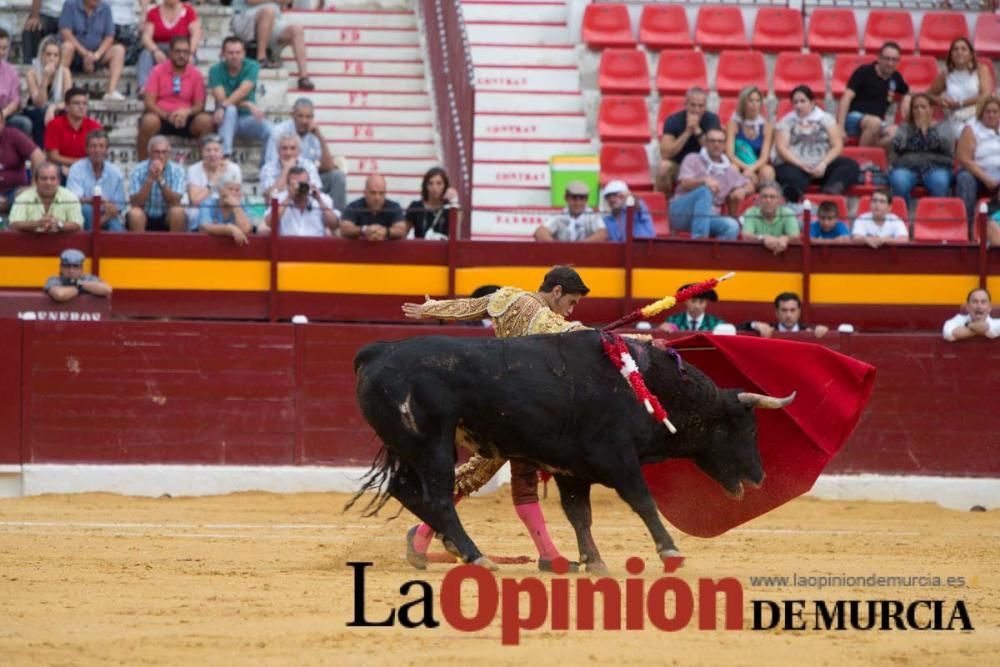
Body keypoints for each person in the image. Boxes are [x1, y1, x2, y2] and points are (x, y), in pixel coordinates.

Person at [401, 265, 591, 572]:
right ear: (556, 292)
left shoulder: (508, 298)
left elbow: (471, 307)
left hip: (499, 404)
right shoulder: (545, 319)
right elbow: (576, 334)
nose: (570, 310)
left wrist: (432, 308)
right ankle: (547, 555)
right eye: (571, 302)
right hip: (521, 410)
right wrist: (635, 341)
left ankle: (422, 537)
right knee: (513, 475)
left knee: (482, 473)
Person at [774, 85, 860, 203]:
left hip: (823, 163)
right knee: (788, 177)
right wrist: (801, 165)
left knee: (850, 166)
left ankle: (827, 194)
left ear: (812, 102)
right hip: (796, 165)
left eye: (803, 101)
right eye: (795, 102)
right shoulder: (786, 121)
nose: (798, 105)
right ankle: (797, 201)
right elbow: (781, 148)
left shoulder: (826, 119)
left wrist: (823, 164)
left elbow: (837, 145)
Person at [136, 35, 213, 161]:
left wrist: (186, 112)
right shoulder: (157, 71)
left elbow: (199, 105)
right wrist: (167, 116)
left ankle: (206, 167)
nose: (181, 55)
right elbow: (149, 102)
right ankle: (142, 166)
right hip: (162, 117)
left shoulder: (196, 74)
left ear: (190, 54)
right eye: (178, 51)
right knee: (148, 121)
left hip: (186, 119)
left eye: (185, 52)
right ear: (170, 52)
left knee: (206, 121)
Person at [668, 127, 748, 240]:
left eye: (720, 141)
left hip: (709, 217)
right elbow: (684, 183)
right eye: (712, 141)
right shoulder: (692, 158)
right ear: (705, 143)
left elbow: (750, 184)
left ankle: (716, 257)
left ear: (725, 145)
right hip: (681, 213)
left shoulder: (730, 170)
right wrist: (703, 180)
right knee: (705, 191)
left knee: (732, 225)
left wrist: (743, 190)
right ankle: (700, 242)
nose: (716, 144)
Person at [264, 98, 345, 208]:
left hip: (309, 178)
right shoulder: (279, 132)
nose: (304, 121)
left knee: (337, 177)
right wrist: (290, 170)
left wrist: (320, 136)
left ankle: (336, 219)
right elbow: (272, 164)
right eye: (300, 116)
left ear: (312, 117)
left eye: (308, 117)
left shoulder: (314, 133)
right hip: (283, 177)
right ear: (292, 115)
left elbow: (328, 167)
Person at [837, 42, 910, 149]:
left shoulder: (895, 77)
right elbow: (846, 98)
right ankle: (863, 161)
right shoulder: (864, 71)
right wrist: (840, 127)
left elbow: (908, 92)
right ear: (879, 58)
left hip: (878, 123)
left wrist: (907, 98)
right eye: (887, 59)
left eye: (894, 60)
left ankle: (869, 155)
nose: (890, 63)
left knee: (897, 133)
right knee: (874, 122)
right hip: (854, 119)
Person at [209, 36, 271, 161]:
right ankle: (225, 156)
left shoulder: (252, 66)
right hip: (225, 120)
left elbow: (243, 90)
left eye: (238, 52)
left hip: (246, 118)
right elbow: (222, 99)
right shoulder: (215, 70)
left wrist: (223, 106)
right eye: (230, 53)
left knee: (272, 130)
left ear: (244, 54)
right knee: (230, 109)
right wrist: (248, 104)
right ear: (223, 54)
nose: (234, 56)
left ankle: (267, 167)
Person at [229, 0, 314, 91]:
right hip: (245, 18)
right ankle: (261, 58)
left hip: (273, 21)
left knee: (297, 30)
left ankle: (303, 77)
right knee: (268, 11)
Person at [889, 93, 954, 208]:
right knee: (899, 180)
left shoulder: (943, 126)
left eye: (923, 107)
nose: (919, 111)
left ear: (931, 109)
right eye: (915, 107)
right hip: (907, 167)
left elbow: (947, 147)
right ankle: (903, 219)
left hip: (936, 167)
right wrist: (916, 132)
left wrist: (926, 132)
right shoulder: (905, 127)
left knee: (940, 182)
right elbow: (897, 147)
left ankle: (935, 220)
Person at [656, 87, 720, 196]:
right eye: (693, 105)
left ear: (706, 106)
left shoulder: (712, 119)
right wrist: (687, 132)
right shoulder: (673, 120)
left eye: (701, 106)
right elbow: (665, 154)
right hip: (679, 165)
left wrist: (697, 130)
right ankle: (666, 206)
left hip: (705, 166)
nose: (696, 110)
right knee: (663, 167)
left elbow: (714, 150)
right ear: (686, 104)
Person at [928, 37, 993, 144]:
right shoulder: (946, 75)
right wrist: (940, 100)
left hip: (978, 114)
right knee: (966, 134)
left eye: (963, 49)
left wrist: (960, 103)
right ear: (951, 55)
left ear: (971, 54)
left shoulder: (981, 70)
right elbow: (929, 95)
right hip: (957, 118)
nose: (959, 52)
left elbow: (986, 95)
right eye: (956, 49)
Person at [58, 0, 126, 100]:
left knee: (119, 50)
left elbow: (109, 37)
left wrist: (96, 55)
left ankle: (111, 91)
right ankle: (63, 92)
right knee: (67, 47)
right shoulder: (70, 5)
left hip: (96, 54)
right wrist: (85, 54)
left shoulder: (105, 8)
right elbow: (66, 33)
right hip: (75, 53)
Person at [66, 129, 126, 231]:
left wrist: (109, 212)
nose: (97, 150)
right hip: (82, 215)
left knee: (117, 228)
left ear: (107, 150)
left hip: (108, 215)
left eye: (101, 146)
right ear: (86, 149)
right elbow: (74, 199)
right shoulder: (76, 169)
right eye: (93, 146)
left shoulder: (116, 173)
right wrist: (97, 200)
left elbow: (119, 206)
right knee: (87, 210)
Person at [136, 0, 201, 94]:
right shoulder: (154, 12)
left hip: (181, 48)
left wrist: (189, 52)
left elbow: (196, 34)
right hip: (159, 47)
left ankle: (185, 90)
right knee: (145, 55)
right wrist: (155, 51)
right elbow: (146, 36)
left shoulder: (188, 11)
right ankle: (144, 88)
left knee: (189, 59)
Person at [955, 96, 1000, 231]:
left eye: (995, 111)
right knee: (965, 178)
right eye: (988, 111)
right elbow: (964, 159)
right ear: (981, 113)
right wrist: (986, 179)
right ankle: (966, 227)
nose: (991, 115)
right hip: (978, 174)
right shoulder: (972, 128)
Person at [127, 134, 186, 232]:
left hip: (166, 216)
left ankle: (175, 247)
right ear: (149, 154)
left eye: (164, 152)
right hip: (145, 214)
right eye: (156, 152)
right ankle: (139, 247)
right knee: (135, 213)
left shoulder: (178, 171)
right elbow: (135, 203)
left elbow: (175, 202)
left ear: (169, 154)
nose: (161, 156)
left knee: (178, 212)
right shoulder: (138, 170)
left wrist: (160, 179)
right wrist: (150, 178)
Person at [24, 35, 73, 147]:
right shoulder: (31, 73)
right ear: (41, 56)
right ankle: (42, 153)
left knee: (65, 114)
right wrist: (45, 78)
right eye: (48, 54)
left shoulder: (65, 72)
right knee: (41, 115)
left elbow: (68, 100)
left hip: (56, 107)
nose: (52, 58)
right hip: (35, 109)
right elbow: (39, 103)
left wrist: (52, 108)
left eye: (56, 55)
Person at [9, 161, 84, 233]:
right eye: (44, 178)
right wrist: (37, 224)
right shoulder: (23, 198)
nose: (48, 183)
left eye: (52, 178)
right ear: (36, 181)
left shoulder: (70, 197)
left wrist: (59, 224)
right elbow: (13, 224)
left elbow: (78, 224)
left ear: (59, 181)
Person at [43, 87, 102, 178]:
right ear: (66, 107)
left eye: (84, 104)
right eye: (77, 103)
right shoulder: (54, 124)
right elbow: (53, 156)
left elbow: (99, 153)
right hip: (61, 168)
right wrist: (74, 166)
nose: (81, 107)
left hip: (87, 168)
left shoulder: (95, 126)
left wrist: (77, 167)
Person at [186, 134, 242, 227]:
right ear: (202, 153)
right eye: (208, 150)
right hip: (202, 208)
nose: (212, 154)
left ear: (222, 153)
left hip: (225, 207)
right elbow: (195, 201)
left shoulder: (234, 169)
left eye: (216, 150)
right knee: (194, 214)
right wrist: (215, 179)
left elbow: (235, 197)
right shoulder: (193, 169)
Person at [725, 85, 775, 187]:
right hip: (739, 165)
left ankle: (765, 198)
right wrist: (746, 168)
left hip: (757, 166)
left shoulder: (766, 126)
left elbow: (764, 157)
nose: (754, 104)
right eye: (750, 101)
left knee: (768, 171)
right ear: (743, 103)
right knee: (732, 169)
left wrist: (751, 169)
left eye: (757, 101)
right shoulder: (733, 124)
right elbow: (730, 154)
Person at [0, 111, 46, 216]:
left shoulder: (13, 135)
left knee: (28, 198)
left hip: (15, 191)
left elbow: (38, 156)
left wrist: (34, 186)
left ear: (2, 122)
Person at [339, 173, 407, 241]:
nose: (377, 197)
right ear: (365, 192)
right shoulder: (354, 206)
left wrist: (386, 231)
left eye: (381, 193)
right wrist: (364, 229)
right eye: (373, 193)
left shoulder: (394, 207)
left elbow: (402, 230)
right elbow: (344, 229)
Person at [191, 171, 252, 245]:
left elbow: (245, 229)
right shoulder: (208, 203)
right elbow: (204, 228)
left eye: (237, 190)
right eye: (230, 189)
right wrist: (230, 228)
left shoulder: (243, 206)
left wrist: (236, 207)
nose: (233, 193)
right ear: (220, 191)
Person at [534, 180, 605, 242]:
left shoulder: (592, 216)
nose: (578, 203)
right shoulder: (559, 216)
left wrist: (578, 248)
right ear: (566, 198)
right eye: (574, 198)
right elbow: (540, 232)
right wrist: (558, 248)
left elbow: (603, 234)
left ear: (586, 199)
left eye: (582, 198)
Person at [276, 166, 339, 236]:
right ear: (288, 185)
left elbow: (334, 225)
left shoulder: (323, 199)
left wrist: (319, 199)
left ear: (309, 183)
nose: (298, 188)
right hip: (287, 244)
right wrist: (288, 197)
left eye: (302, 184)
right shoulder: (280, 198)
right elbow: (270, 222)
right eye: (294, 184)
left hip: (315, 244)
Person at [259, 131, 323, 201]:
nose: (288, 153)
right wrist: (286, 169)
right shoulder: (267, 168)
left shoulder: (309, 166)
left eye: (292, 148)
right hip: (278, 207)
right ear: (278, 151)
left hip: (303, 207)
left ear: (299, 151)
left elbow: (315, 193)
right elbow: (271, 197)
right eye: (284, 148)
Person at [741, 181, 800, 255]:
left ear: (780, 200)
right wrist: (763, 238)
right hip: (755, 256)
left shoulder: (788, 213)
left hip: (783, 257)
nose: (768, 200)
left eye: (772, 197)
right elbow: (746, 236)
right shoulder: (751, 212)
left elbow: (795, 237)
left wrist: (786, 238)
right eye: (765, 196)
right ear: (759, 199)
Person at [405, 167, 460, 240]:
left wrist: (454, 201)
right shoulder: (415, 207)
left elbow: (456, 237)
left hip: (443, 250)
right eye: (430, 183)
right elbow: (403, 232)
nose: (434, 187)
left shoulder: (450, 208)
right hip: (420, 249)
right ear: (425, 186)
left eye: (439, 183)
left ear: (445, 186)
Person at [743, 292, 829, 338]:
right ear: (776, 312)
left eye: (792, 310)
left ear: (799, 312)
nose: (788, 315)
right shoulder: (767, 329)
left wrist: (824, 331)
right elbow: (739, 328)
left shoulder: (810, 330)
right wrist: (755, 325)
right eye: (784, 310)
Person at [0, 28, 34, 137]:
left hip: (5, 114)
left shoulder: (11, 71)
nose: (1, 52)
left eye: (4, 48)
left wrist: (2, 114)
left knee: (24, 123)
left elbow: (15, 100)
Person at [44, 248, 111, 302]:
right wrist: (78, 288)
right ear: (61, 267)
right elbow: (59, 295)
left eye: (75, 266)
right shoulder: (54, 279)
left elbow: (107, 289)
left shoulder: (88, 278)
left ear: (81, 269)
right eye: (67, 266)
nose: (71, 270)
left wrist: (79, 283)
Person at [660, 283, 725, 332]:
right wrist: (662, 329)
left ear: (706, 303)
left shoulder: (717, 324)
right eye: (693, 301)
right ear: (685, 301)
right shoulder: (673, 321)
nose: (697, 306)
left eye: (701, 302)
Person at [21, 0, 65, 67]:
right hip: (44, 13)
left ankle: (60, 68)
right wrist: (34, 16)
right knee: (31, 27)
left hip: (66, 15)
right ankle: (29, 64)